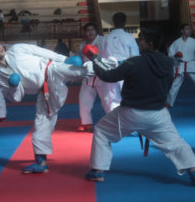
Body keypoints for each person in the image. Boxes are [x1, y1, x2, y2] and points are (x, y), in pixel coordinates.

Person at [82, 28, 195, 186]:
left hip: (131, 113)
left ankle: (97, 171)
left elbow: (108, 75)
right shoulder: (168, 63)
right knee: (176, 143)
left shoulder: (134, 62)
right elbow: (168, 85)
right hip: (158, 114)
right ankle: (193, 169)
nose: (138, 42)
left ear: (149, 44)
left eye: (141, 39)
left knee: (101, 131)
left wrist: (94, 58)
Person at [0, 38, 94, 174]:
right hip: (44, 92)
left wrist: (63, 59)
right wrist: (14, 86)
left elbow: (41, 52)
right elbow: (15, 98)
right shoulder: (1, 76)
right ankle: (41, 163)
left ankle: (110, 66)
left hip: (52, 70)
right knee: (41, 127)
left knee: (79, 71)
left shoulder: (17, 49)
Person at [77, 22, 120, 132]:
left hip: (103, 74)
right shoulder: (82, 45)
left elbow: (111, 56)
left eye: (92, 29)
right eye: (88, 30)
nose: (90, 32)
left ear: (96, 31)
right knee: (83, 99)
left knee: (109, 100)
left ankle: (117, 123)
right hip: (89, 75)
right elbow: (80, 60)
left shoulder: (104, 41)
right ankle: (86, 123)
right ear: (85, 33)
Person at [102, 12, 139, 110]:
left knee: (113, 98)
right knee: (129, 96)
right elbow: (135, 57)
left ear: (112, 22)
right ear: (125, 22)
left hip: (110, 69)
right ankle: (130, 121)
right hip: (126, 69)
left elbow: (103, 56)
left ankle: (115, 122)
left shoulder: (107, 38)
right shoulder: (129, 37)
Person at [166, 23, 195, 108]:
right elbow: (170, 54)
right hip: (180, 65)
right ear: (182, 31)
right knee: (174, 86)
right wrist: (175, 55)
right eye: (186, 29)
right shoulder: (176, 42)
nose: (189, 30)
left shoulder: (193, 41)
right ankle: (168, 103)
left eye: (189, 29)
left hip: (191, 65)